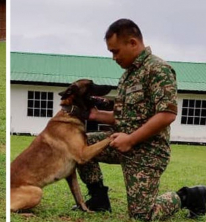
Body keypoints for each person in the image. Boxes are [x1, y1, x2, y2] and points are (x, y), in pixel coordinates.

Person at [76, 18, 206, 220]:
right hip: (121, 142)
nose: (113, 57)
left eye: (115, 51)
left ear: (133, 43)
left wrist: (130, 140)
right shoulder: (127, 76)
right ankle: (99, 199)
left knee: (142, 216)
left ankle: (190, 197)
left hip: (148, 151)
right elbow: (123, 117)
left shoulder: (158, 69)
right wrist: (96, 115)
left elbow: (167, 114)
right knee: (78, 145)